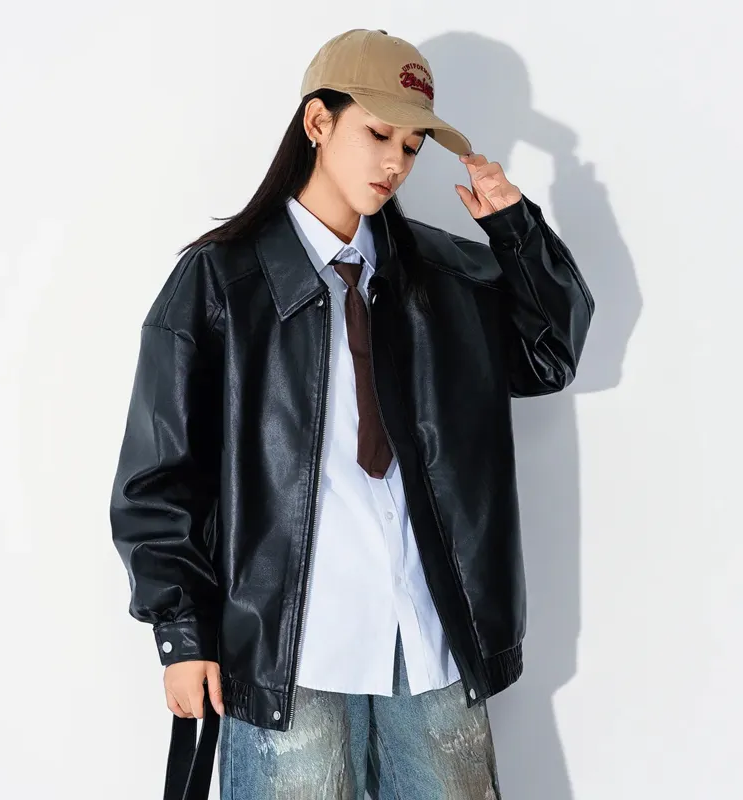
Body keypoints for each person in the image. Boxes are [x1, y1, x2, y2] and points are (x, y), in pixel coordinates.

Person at [109, 27, 593, 800]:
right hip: (289, 660)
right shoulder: (219, 283)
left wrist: (515, 228)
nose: (396, 162)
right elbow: (158, 477)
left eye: (412, 145)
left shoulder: (445, 278)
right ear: (318, 122)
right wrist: (181, 634)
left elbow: (550, 355)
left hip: (429, 648)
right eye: (378, 133)